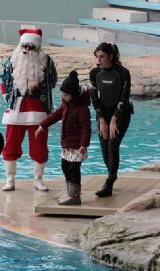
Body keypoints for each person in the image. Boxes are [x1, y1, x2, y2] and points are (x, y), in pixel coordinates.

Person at [0, 27, 58, 192]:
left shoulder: (46, 61)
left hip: (38, 110)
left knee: (40, 146)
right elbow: (3, 80)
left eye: (30, 47)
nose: (26, 50)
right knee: (11, 145)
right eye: (24, 46)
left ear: (37, 47)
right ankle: (10, 179)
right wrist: (6, 96)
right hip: (16, 109)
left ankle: (38, 180)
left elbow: (53, 80)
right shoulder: (11, 60)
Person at [35, 70, 91, 205]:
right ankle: (69, 193)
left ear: (73, 95)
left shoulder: (82, 109)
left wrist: (84, 144)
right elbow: (54, 116)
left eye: (66, 94)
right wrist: (42, 126)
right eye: (63, 94)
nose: (63, 96)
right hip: (67, 145)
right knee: (65, 167)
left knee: (74, 169)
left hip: (78, 146)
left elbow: (86, 128)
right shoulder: (65, 106)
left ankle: (75, 196)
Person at [89, 42, 133, 197]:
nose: (98, 60)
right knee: (104, 147)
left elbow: (124, 98)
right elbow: (94, 98)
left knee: (112, 144)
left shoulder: (122, 73)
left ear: (111, 57)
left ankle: (109, 181)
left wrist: (114, 120)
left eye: (102, 57)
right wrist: (102, 120)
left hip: (120, 114)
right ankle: (112, 175)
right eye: (97, 57)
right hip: (103, 116)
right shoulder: (94, 73)